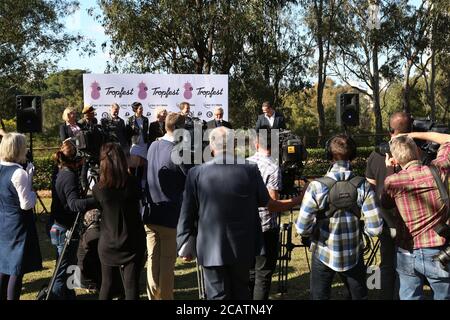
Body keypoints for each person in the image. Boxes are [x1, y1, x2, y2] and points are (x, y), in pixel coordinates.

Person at [177, 127, 304, 300]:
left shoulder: (196, 173)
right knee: (241, 293)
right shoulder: (249, 170)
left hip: (210, 245)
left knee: (217, 296)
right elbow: (267, 203)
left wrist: (183, 242)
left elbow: (187, 212)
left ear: (211, 147)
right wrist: (298, 199)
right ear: (234, 145)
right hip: (242, 246)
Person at [296, 134, 383, 300]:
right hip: (353, 254)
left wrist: (311, 234)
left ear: (328, 155)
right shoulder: (363, 184)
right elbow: (375, 228)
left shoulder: (316, 186)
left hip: (323, 252)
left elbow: (301, 228)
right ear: (353, 155)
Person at [381, 131, 450, 300]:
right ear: (417, 151)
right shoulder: (438, 169)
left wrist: (390, 168)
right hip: (437, 249)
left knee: (409, 296)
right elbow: (449, 140)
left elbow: (385, 203)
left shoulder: (392, 181)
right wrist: (413, 134)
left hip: (407, 251)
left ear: (396, 160)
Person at [365, 111, 412, 299]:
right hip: (410, 220)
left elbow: (370, 189)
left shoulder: (374, 156)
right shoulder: (417, 154)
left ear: (389, 131)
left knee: (386, 263)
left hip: (384, 219)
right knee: (407, 265)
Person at [93, 143, 146, 300]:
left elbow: (100, 208)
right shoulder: (133, 183)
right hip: (132, 240)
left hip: (108, 241)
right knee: (131, 286)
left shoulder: (98, 189)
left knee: (107, 284)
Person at [145, 112, 189, 300]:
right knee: (167, 263)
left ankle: (153, 295)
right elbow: (191, 179)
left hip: (150, 212)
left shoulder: (153, 145)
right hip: (169, 214)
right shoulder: (178, 151)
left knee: (152, 258)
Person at [50, 139, 97, 299]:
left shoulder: (60, 171)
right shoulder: (68, 176)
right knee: (62, 272)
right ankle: (55, 296)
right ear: (76, 160)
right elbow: (74, 204)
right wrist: (97, 200)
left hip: (61, 227)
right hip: (66, 230)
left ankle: (69, 295)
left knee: (68, 267)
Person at [0, 132, 42, 300]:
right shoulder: (19, 173)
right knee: (16, 270)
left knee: (4, 267)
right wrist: (31, 185)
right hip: (18, 225)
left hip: (3, 223)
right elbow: (26, 204)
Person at [247, 129, 281, 300]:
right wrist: (298, 200)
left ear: (256, 143)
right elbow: (272, 204)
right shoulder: (273, 167)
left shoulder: (244, 163)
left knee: (249, 272)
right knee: (263, 274)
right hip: (266, 228)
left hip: (246, 225)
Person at [127, 102, 149, 187]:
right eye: (140, 108)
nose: (142, 110)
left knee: (141, 165)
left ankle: (140, 185)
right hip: (134, 144)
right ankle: (131, 184)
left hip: (143, 144)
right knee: (133, 165)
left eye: (142, 108)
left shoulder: (146, 119)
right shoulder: (130, 120)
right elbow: (128, 133)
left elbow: (146, 131)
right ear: (135, 110)